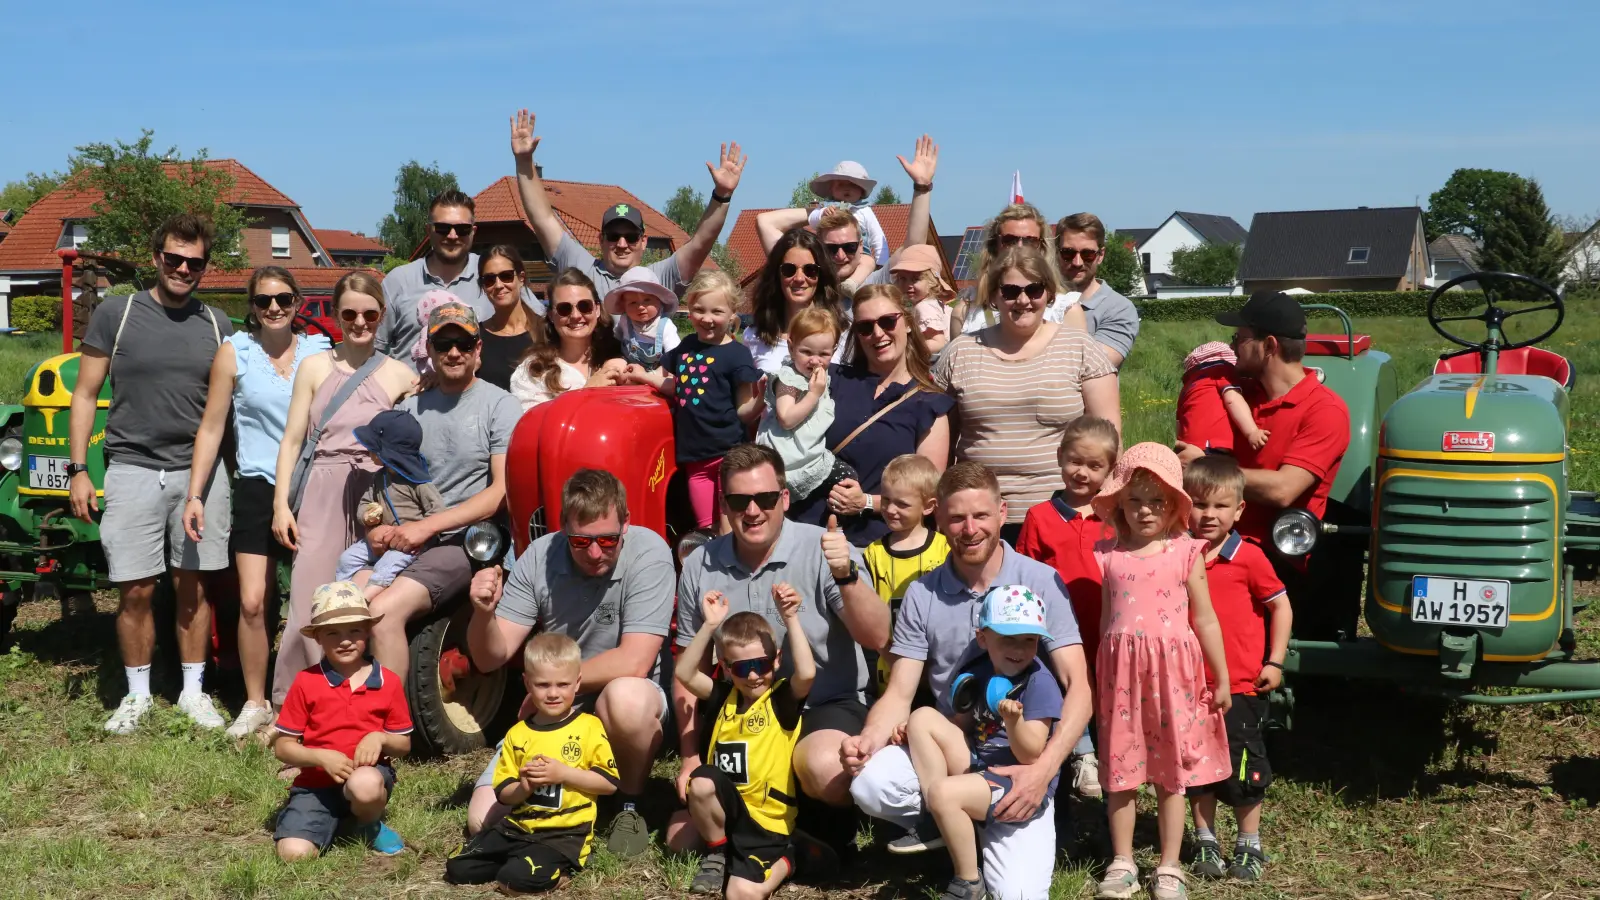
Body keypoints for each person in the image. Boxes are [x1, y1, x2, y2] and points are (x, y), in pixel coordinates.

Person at [844, 463, 1091, 900]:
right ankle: (950, 828)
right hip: (956, 748)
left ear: (1002, 512)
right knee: (870, 780)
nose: (970, 529)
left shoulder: (1039, 581)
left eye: (980, 516)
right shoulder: (924, 592)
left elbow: (1079, 691)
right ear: (938, 519)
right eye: (957, 518)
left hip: (1021, 759)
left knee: (1019, 895)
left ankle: (984, 825)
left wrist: (1044, 771)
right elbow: (900, 691)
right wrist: (868, 739)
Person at [671, 444, 887, 862]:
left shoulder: (822, 547)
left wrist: (846, 573)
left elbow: (877, 636)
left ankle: (809, 826)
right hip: (742, 711)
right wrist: (689, 757)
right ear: (724, 504)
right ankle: (774, 832)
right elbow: (688, 669)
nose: (753, 511)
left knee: (824, 767)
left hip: (822, 703)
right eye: (739, 500)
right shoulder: (700, 564)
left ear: (784, 499)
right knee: (681, 838)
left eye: (765, 499)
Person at [68, 213, 237, 734]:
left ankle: (192, 692)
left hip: (199, 476)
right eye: (174, 258)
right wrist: (78, 469)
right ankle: (137, 695)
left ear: (205, 267)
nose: (183, 268)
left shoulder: (218, 324)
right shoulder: (117, 316)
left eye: (195, 262)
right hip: (133, 468)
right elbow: (85, 393)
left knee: (194, 588)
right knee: (134, 590)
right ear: (156, 257)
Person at [462, 469, 677, 857]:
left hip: (626, 701)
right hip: (562, 707)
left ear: (626, 523)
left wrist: (551, 686)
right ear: (563, 529)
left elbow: (636, 661)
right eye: (581, 541)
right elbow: (490, 656)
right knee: (481, 819)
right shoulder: (539, 556)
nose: (595, 553)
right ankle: (568, 802)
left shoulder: (650, 552)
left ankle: (628, 803)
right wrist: (482, 614)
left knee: (625, 697)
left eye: (608, 540)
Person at [184, 266, 331, 738]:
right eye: (264, 300)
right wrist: (196, 492)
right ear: (251, 305)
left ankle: (323, 697)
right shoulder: (236, 353)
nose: (274, 308)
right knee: (252, 601)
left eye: (283, 300)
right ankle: (255, 701)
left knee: (318, 602)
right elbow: (212, 426)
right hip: (257, 486)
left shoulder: (319, 352)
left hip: (312, 487)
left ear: (297, 303)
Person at [1090, 443, 1231, 900]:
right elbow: (1106, 623)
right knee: (1121, 769)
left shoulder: (1186, 552)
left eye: (1157, 501)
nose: (1145, 510)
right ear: (1119, 504)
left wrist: (1221, 676)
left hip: (1174, 678)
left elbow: (1205, 618)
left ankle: (1170, 865)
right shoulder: (1108, 555)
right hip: (1122, 680)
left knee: (1172, 770)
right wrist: (1097, 679)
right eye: (1135, 500)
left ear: (1173, 505)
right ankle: (1123, 859)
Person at [272, 272, 417, 708]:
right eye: (349, 313)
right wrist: (281, 504)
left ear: (382, 315)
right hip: (322, 490)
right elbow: (293, 439)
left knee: (360, 600)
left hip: (375, 496)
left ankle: (353, 703)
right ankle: (296, 703)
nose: (359, 322)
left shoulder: (400, 375)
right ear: (336, 315)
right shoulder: (315, 367)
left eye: (369, 313)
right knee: (310, 597)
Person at [1175, 291, 1351, 639]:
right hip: (1215, 540)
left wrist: (1205, 467)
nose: (1232, 347)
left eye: (1239, 339)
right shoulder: (1239, 396)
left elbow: (1285, 489)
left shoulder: (1325, 410)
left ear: (1268, 345)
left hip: (1277, 558)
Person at [364, 302, 521, 682]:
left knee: (382, 613)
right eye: (443, 343)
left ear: (478, 349)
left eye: (463, 343)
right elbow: (387, 482)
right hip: (406, 539)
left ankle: (390, 727)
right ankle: (341, 708)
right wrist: (375, 527)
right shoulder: (410, 409)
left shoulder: (500, 406)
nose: (453, 352)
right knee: (342, 604)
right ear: (429, 350)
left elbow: (500, 493)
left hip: (462, 543)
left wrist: (428, 527)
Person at [934, 244, 1121, 542]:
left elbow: (1110, 439)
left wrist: (1108, 507)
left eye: (1033, 290)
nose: (1023, 300)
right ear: (995, 296)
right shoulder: (960, 352)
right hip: (979, 518)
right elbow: (939, 446)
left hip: (1063, 512)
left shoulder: (1081, 348)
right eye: (1010, 291)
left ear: (1048, 293)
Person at [905, 585, 1063, 900]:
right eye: (1008, 638)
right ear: (983, 638)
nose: (1019, 649)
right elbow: (960, 725)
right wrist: (914, 730)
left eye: (1029, 640)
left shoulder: (1039, 682)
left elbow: (1031, 754)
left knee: (943, 793)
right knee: (922, 717)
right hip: (980, 765)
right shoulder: (978, 673)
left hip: (1016, 782)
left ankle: (968, 882)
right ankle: (939, 818)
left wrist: (1014, 721)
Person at [1183, 455, 1292, 884]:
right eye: (1198, 504)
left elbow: (1280, 605)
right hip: (1190, 687)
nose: (1208, 515)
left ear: (1239, 510)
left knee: (1246, 766)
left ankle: (1249, 843)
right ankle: (1205, 839)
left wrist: (1275, 661)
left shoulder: (1249, 558)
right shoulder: (1179, 555)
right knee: (1196, 768)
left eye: (1219, 507)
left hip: (1242, 685)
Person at [445, 633, 620, 893]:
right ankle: (519, 862)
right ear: (527, 683)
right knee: (457, 867)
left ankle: (556, 870)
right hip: (517, 827)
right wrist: (524, 786)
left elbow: (608, 784)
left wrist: (563, 773)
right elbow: (504, 794)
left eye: (562, 684)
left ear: (577, 683)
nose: (553, 693)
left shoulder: (589, 727)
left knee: (513, 883)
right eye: (542, 684)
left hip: (562, 835)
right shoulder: (518, 733)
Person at [785, 284, 953, 549]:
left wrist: (865, 502)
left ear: (908, 323)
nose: (877, 333)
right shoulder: (831, 379)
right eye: (865, 327)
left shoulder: (930, 404)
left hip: (875, 547)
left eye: (887, 321)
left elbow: (927, 492)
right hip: (806, 534)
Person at [511, 107, 745, 296]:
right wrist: (524, 162)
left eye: (631, 236)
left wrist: (721, 195)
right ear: (600, 240)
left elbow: (701, 242)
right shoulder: (582, 269)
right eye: (613, 236)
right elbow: (542, 219)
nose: (622, 244)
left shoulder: (660, 277)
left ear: (644, 241)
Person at [675, 589, 815, 898]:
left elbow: (806, 673)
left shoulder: (779, 700)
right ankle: (718, 852)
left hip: (766, 822)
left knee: (740, 894)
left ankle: (788, 858)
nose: (752, 675)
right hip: (727, 816)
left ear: (776, 661)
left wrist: (790, 618)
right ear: (725, 667)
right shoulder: (722, 697)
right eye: (740, 668)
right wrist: (710, 625)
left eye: (761, 665)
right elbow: (684, 672)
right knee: (695, 794)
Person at [1014, 415, 1120, 800]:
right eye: (1075, 461)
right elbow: (1024, 574)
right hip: (1059, 629)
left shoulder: (1117, 517)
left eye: (1095, 466)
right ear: (1060, 457)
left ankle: (1113, 756)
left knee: (1106, 688)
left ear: (1111, 469)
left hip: (1107, 623)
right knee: (1067, 686)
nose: (1082, 473)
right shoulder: (1040, 516)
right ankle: (1082, 755)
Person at [272, 582, 411, 861]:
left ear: (368, 631)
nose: (345, 640)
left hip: (366, 776)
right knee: (293, 854)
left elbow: (403, 744)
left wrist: (380, 737)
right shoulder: (306, 682)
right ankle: (329, 818)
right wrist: (320, 757)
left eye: (354, 630)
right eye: (333, 633)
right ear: (318, 638)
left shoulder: (388, 682)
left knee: (365, 784)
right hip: (316, 783)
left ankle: (369, 824)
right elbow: (283, 747)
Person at [638, 270, 762, 533]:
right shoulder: (686, 347)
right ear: (689, 311)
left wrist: (762, 400)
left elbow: (743, 411)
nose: (707, 319)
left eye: (717, 312)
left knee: (730, 528)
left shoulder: (737, 355)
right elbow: (679, 387)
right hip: (694, 460)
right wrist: (643, 376)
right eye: (698, 310)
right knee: (706, 528)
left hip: (727, 456)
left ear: (731, 315)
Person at [755, 135, 941, 295]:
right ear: (818, 247)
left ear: (861, 245)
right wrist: (821, 212)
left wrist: (922, 187)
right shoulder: (801, 281)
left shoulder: (872, 286)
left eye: (850, 247)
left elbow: (913, 247)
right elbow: (765, 222)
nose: (840, 255)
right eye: (831, 248)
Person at [861, 454, 949, 697]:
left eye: (902, 504)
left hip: (937, 674)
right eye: (886, 500)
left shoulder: (944, 550)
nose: (890, 509)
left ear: (929, 506)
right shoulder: (873, 553)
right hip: (888, 671)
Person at [334, 410, 444, 601]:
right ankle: (342, 594)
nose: (368, 452)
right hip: (381, 539)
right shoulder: (379, 477)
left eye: (373, 449)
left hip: (411, 545)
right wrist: (367, 516)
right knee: (347, 558)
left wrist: (422, 533)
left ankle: (365, 597)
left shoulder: (419, 483)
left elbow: (437, 512)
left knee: (388, 564)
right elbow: (366, 502)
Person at [376, 189, 491, 364]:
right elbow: (376, 349)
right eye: (443, 228)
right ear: (429, 230)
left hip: (474, 390)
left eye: (462, 229)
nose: (452, 236)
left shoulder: (495, 276)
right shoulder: (398, 281)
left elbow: (532, 327)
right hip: (410, 390)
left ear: (473, 231)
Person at [755, 307, 856, 502]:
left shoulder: (819, 376)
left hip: (808, 451)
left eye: (824, 354)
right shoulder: (788, 378)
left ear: (834, 350)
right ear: (791, 348)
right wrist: (813, 394)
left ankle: (836, 523)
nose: (815, 360)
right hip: (789, 457)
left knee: (847, 480)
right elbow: (786, 418)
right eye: (806, 351)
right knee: (845, 476)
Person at [951, 203, 1088, 339]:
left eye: (1030, 241)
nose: (1020, 247)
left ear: (1042, 247)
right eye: (1010, 240)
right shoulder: (966, 312)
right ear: (994, 246)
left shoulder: (1065, 311)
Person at [510, 268, 627, 411]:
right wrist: (587, 391)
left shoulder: (621, 355)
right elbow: (534, 425)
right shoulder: (533, 370)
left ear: (597, 310)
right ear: (551, 316)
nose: (576, 316)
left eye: (584, 306)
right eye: (564, 309)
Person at [743, 227, 850, 374]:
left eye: (810, 270)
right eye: (789, 270)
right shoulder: (754, 335)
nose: (799, 278)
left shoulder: (845, 333)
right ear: (777, 274)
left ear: (822, 275)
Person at [1054, 213, 1143, 368]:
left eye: (1087, 254)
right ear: (1057, 253)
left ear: (1100, 255)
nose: (1077, 262)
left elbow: (1094, 367)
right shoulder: (1035, 299)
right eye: (1068, 253)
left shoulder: (1119, 309)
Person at [1177, 341, 1269, 454]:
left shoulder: (1188, 386)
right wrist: (1252, 432)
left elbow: (1179, 422)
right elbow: (1232, 400)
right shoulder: (1221, 371)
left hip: (1188, 447)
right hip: (1213, 444)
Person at [475, 246, 542, 392]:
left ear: (521, 278)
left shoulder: (546, 331)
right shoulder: (475, 338)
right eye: (489, 279)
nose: (498, 285)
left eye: (506, 276)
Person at [807, 160, 890, 266]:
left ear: (861, 190)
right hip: (832, 256)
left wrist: (882, 263)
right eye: (840, 184)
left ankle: (852, 283)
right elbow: (812, 220)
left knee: (867, 263)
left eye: (852, 185)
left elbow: (878, 237)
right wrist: (822, 213)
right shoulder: (826, 206)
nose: (846, 188)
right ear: (831, 189)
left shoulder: (864, 210)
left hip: (860, 257)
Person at [605, 267, 681, 372]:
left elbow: (674, 351)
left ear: (659, 301)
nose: (640, 307)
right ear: (624, 307)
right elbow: (616, 338)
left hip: (654, 373)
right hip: (628, 369)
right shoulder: (624, 321)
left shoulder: (665, 325)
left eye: (647, 300)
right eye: (633, 303)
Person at [888, 244, 958, 353]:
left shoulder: (925, 307)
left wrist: (905, 349)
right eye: (903, 278)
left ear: (931, 282)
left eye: (915, 279)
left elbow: (938, 343)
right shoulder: (931, 303)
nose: (908, 284)